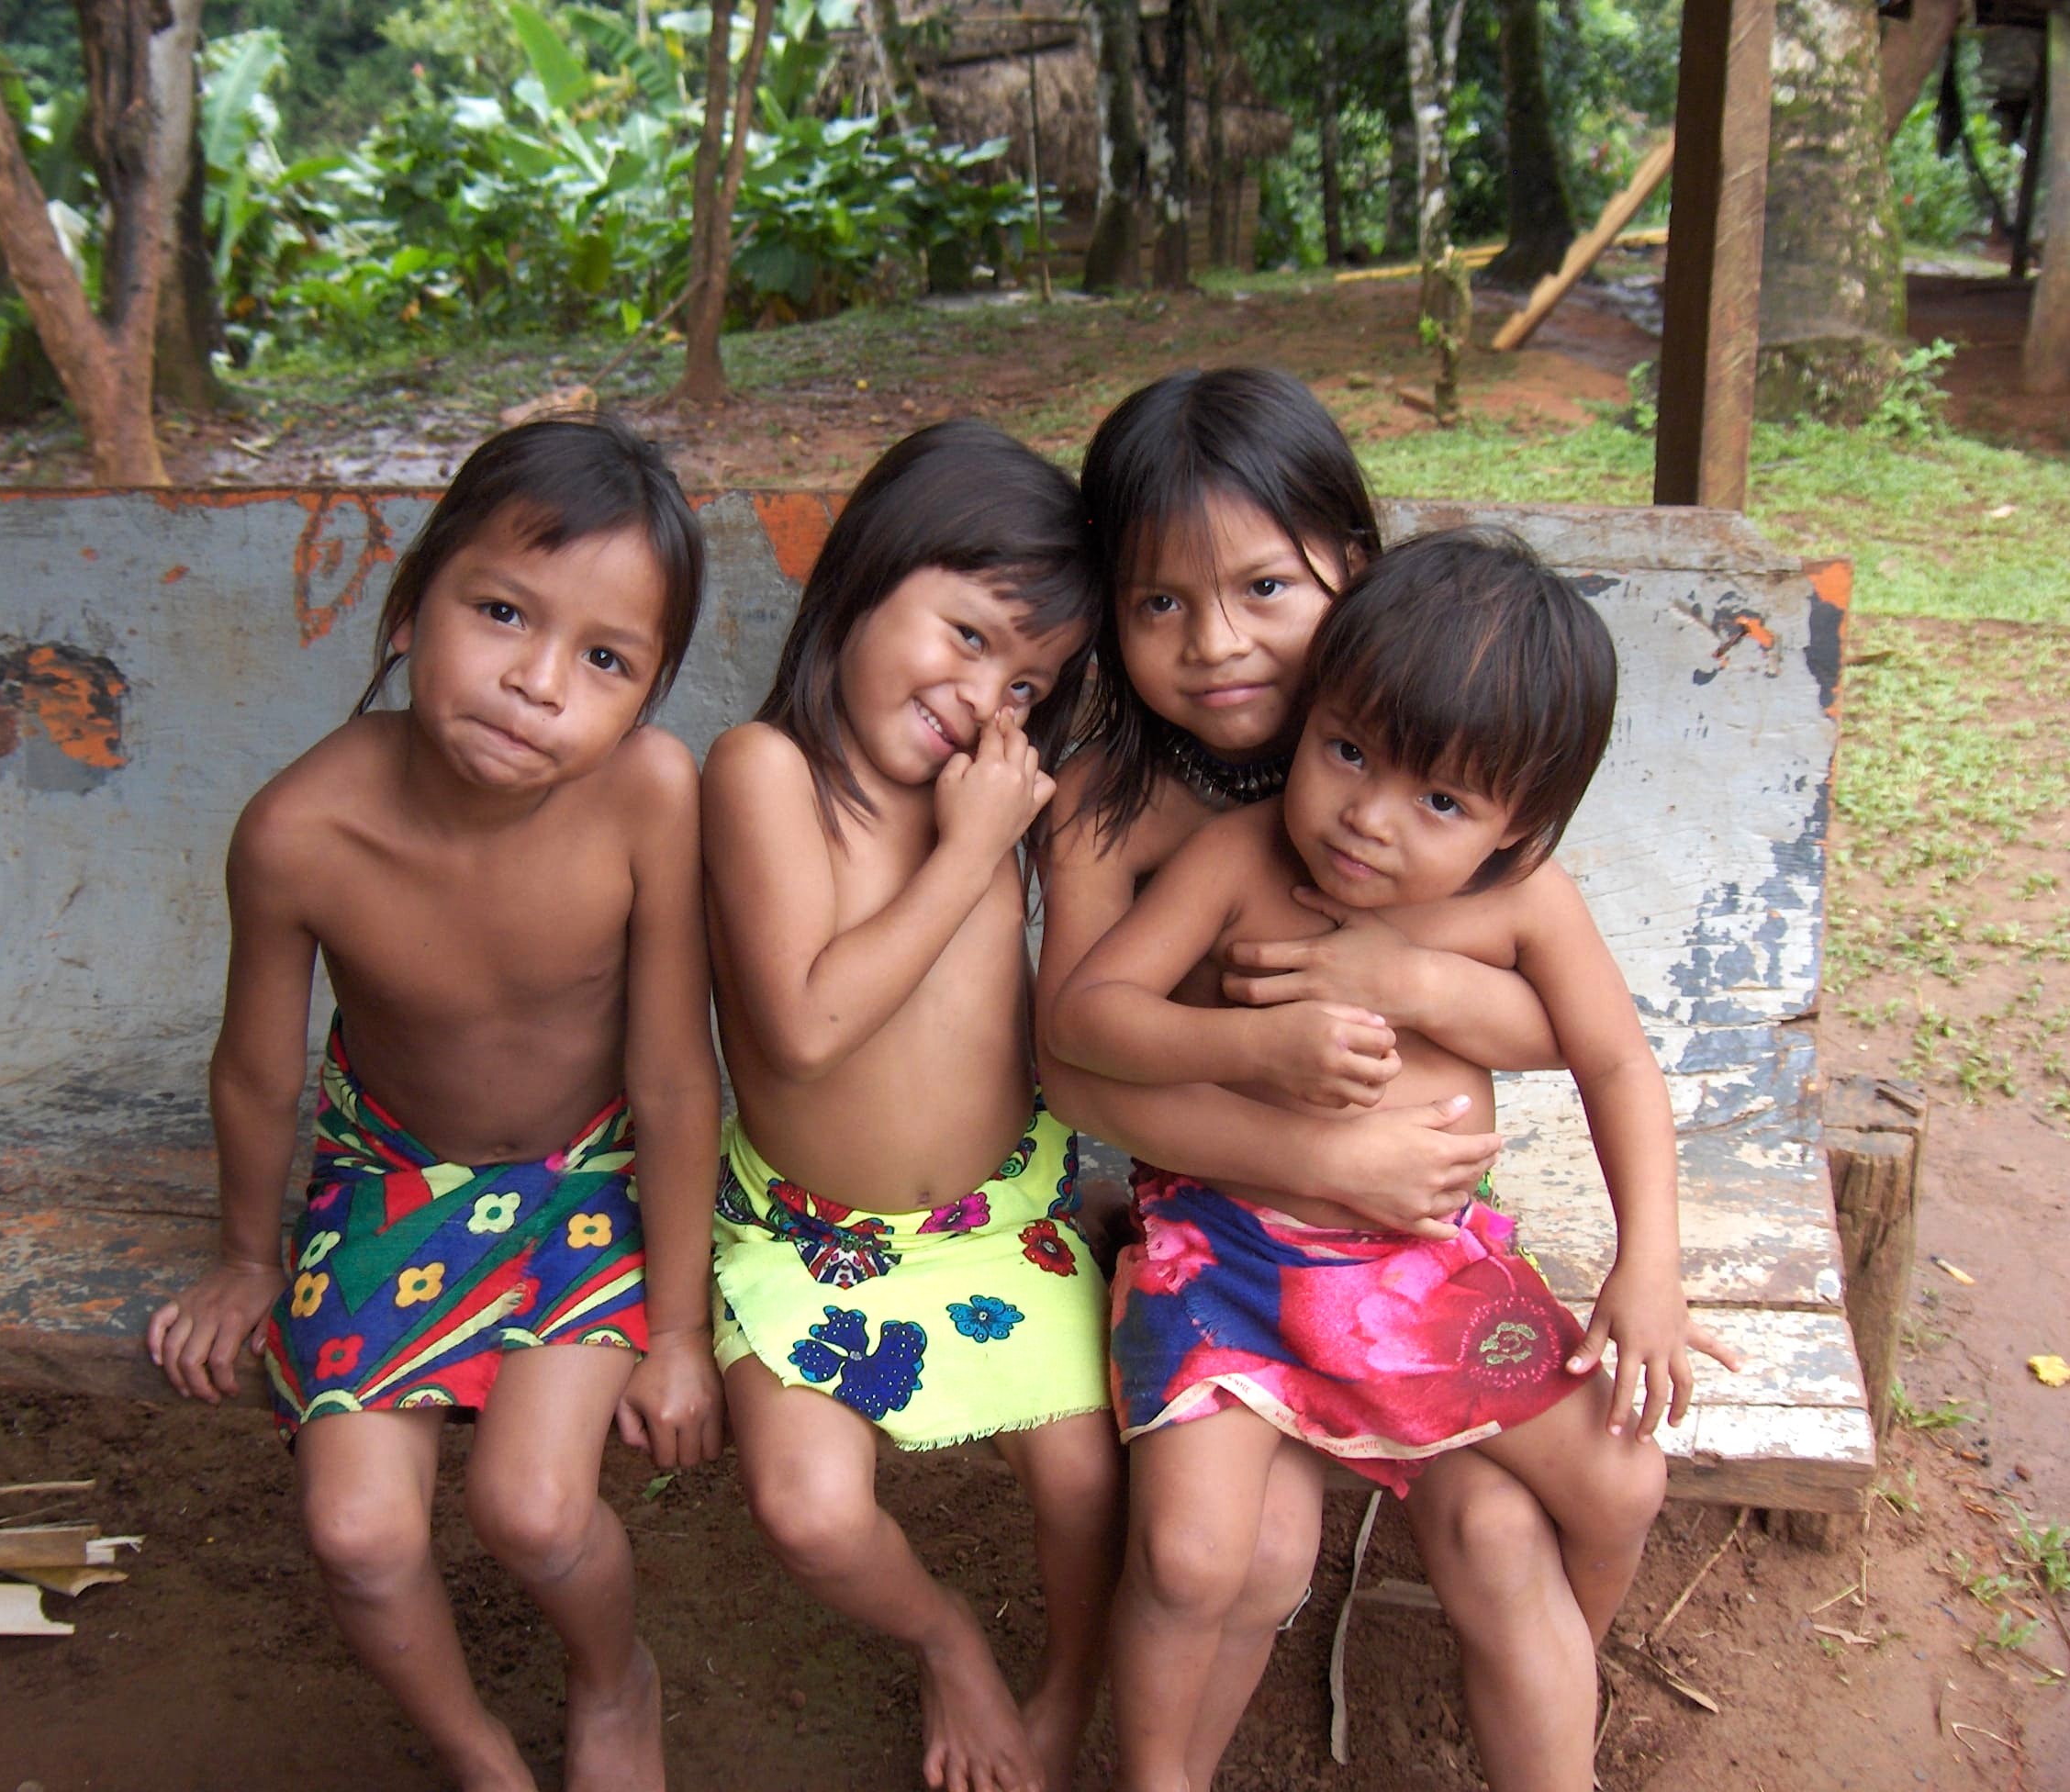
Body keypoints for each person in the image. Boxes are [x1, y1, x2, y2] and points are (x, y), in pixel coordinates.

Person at [1053, 525, 1739, 1792]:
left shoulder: (1524, 902)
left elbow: (1618, 1062)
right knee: (1192, 1558)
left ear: (1518, 825)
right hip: (1228, 1263)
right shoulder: (1238, 859)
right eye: (1348, 753)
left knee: (1623, 1481)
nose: (1368, 818)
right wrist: (1255, 1047)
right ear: (1312, 715)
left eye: (1441, 802)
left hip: (1422, 1265)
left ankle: (1560, 1695)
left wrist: (1651, 1265)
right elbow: (1090, 1018)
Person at [146, 414, 724, 1792]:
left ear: (647, 697)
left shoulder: (650, 796)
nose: (538, 683)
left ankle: (615, 1683)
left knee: (535, 1510)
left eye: (605, 659)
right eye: (502, 612)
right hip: (391, 1177)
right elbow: (257, 1072)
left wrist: (680, 1332)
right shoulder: (300, 831)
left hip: (594, 1175)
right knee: (357, 1534)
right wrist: (247, 1258)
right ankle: (480, 1757)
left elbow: (671, 1077)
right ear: (411, 608)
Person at [701, 420, 1122, 1792]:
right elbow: (806, 1028)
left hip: (1006, 1219)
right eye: (968, 634)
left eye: (1028, 680)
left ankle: (1068, 1687)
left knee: (1086, 1483)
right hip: (807, 1237)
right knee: (811, 1513)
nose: (986, 697)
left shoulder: (990, 795)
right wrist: (972, 846)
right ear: (865, 573)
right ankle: (945, 1638)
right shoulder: (766, 772)